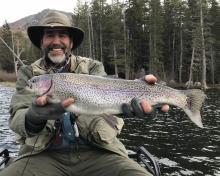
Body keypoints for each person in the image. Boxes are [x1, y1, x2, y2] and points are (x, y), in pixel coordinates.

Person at [0, 10, 169, 176]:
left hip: (99, 152)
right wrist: (33, 117)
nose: (56, 41)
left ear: (71, 42)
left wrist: (131, 102)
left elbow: (109, 101)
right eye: (50, 35)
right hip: (43, 155)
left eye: (62, 35)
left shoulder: (93, 67)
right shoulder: (28, 74)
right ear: (42, 42)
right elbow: (17, 116)